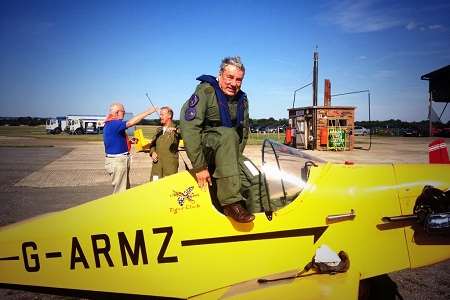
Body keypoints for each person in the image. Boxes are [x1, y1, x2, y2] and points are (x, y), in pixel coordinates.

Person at [180, 56, 267, 223]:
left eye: (239, 79)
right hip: (206, 150)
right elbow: (189, 127)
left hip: (226, 151)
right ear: (220, 75)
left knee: (255, 177)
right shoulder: (205, 92)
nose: (234, 83)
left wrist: (232, 162)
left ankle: (260, 219)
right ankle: (231, 203)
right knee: (227, 134)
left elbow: (243, 134)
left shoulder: (242, 99)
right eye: (230, 77)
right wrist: (199, 166)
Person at [103, 103, 158, 193]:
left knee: (125, 189)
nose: (124, 113)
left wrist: (129, 142)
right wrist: (148, 112)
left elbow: (112, 142)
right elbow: (131, 122)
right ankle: (120, 206)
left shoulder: (110, 124)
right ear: (117, 112)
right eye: (123, 111)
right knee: (121, 192)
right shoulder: (114, 124)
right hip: (118, 162)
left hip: (118, 160)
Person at [149, 106, 180, 181]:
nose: (160, 117)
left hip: (170, 166)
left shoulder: (176, 127)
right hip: (157, 165)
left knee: (169, 187)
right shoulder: (158, 130)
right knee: (154, 186)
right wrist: (152, 152)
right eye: (160, 114)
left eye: (162, 114)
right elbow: (152, 145)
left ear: (169, 116)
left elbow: (183, 132)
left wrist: (175, 130)